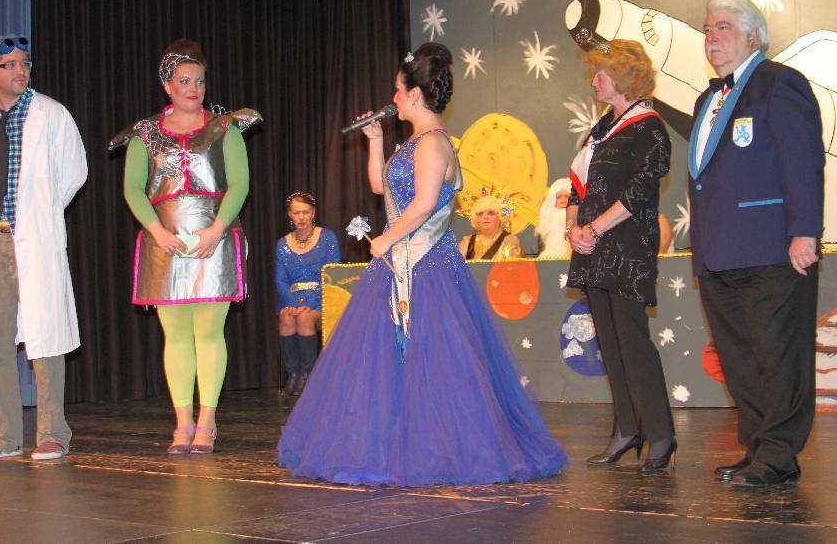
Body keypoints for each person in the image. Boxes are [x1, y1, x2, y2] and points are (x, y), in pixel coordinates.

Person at [278, 43, 567, 486]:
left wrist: (386, 239)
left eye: (398, 90)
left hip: (426, 263)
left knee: (434, 357)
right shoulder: (412, 141)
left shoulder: (433, 143)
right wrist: (375, 143)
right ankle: (398, 443)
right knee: (394, 357)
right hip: (400, 262)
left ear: (415, 94)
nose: (393, 97)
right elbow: (382, 188)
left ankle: (443, 447)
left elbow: (426, 203)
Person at [689, 0, 823, 487]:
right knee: (740, 358)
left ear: (753, 35)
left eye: (723, 26)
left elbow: (803, 162)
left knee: (778, 355)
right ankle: (759, 447)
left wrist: (804, 232)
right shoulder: (706, 100)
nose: (712, 36)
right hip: (718, 252)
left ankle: (779, 455)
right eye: (707, 28)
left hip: (771, 247)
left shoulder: (779, 83)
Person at [111, 39, 260, 455]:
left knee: (209, 332)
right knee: (175, 335)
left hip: (215, 238)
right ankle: (183, 422)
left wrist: (217, 230)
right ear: (167, 85)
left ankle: (207, 421)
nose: (194, 88)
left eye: (200, 81)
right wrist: (157, 232)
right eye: (184, 80)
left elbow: (240, 184)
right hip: (166, 241)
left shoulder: (225, 128)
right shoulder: (143, 134)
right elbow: (133, 190)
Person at [0, 35, 87, 461]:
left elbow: (74, 171)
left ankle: (52, 432)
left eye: (24, 63)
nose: (20, 71)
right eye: (10, 64)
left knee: (45, 334)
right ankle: (2, 435)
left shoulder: (51, 113)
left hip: (34, 236)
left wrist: (41, 212)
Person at [565, 39, 675, 474]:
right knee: (609, 345)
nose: (594, 81)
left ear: (625, 78)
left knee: (633, 343)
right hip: (593, 250)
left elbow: (641, 189)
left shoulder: (648, 127)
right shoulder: (600, 130)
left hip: (627, 250)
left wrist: (593, 229)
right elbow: (577, 188)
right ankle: (627, 430)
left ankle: (661, 434)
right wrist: (573, 230)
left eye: (601, 73)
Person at [275, 191, 341, 395]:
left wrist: (309, 303)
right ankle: (293, 375)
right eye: (297, 213)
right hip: (293, 299)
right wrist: (293, 303)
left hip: (322, 298)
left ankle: (308, 376)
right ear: (290, 215)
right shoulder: (282, 244)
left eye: (306, 212)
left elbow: (332, 273)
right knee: (286, 317)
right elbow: (280, 280)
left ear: (313, 212)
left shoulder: (327, 237)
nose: (302, 217)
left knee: (304, 317)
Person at [457, 190, 523, 260]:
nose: (485, 217)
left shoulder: (510, 242)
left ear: (500, 217)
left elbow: (515, 266)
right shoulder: (466, 243)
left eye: (491, 213)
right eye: (480, 214)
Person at [536, 178, 573, 258]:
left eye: (566, 196)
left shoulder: (575, 216)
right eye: (559, 197)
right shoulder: (548, 216)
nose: (563, 199)